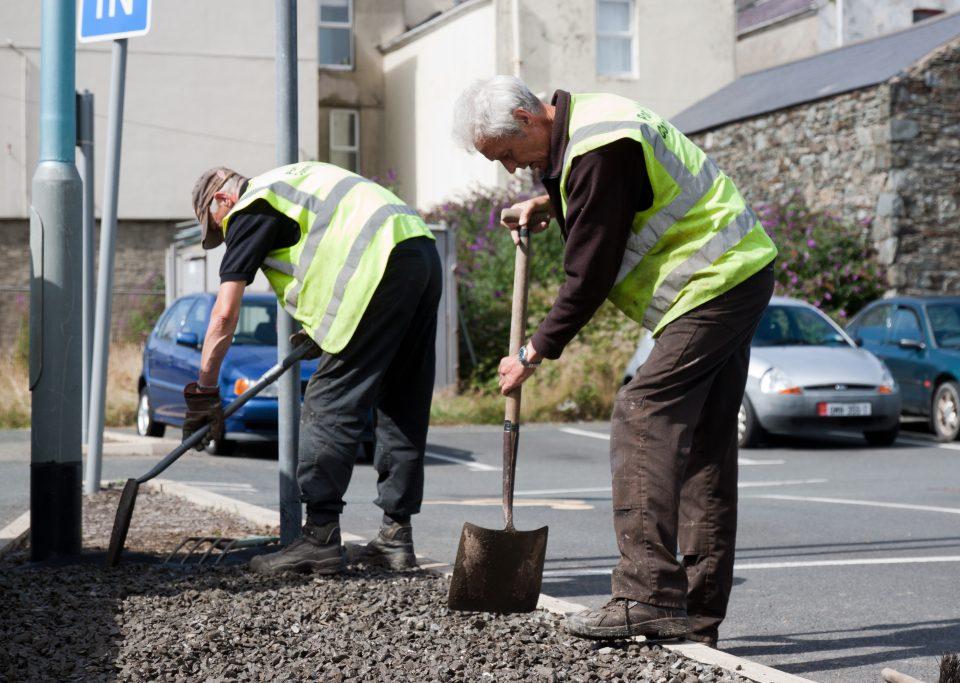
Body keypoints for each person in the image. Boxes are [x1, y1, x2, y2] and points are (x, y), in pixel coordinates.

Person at [453, 76, 777, 644]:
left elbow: (590, 274)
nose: (508, 169)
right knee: (703, 449)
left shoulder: (600, 146)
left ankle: (645, 594)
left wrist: (534, 351)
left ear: (529, 121)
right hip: (734, 274)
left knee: (641, 409)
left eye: (506, 155)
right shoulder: (590, 129)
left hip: (713, 282)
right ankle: (695, 622)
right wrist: (547, 203)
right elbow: (612, 199)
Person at [186, 162, 441, 575]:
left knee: (327, 403)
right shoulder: (293, 182)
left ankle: (319, 539)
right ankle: (396, 537)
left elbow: (223, 315)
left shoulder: (251, 207)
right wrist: (319, 329)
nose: (225, 235)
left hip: (377, 266)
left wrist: (204, 390)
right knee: (401, 399)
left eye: (219, 226)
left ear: (221, 200)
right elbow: (329, 248)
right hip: (418, 249)